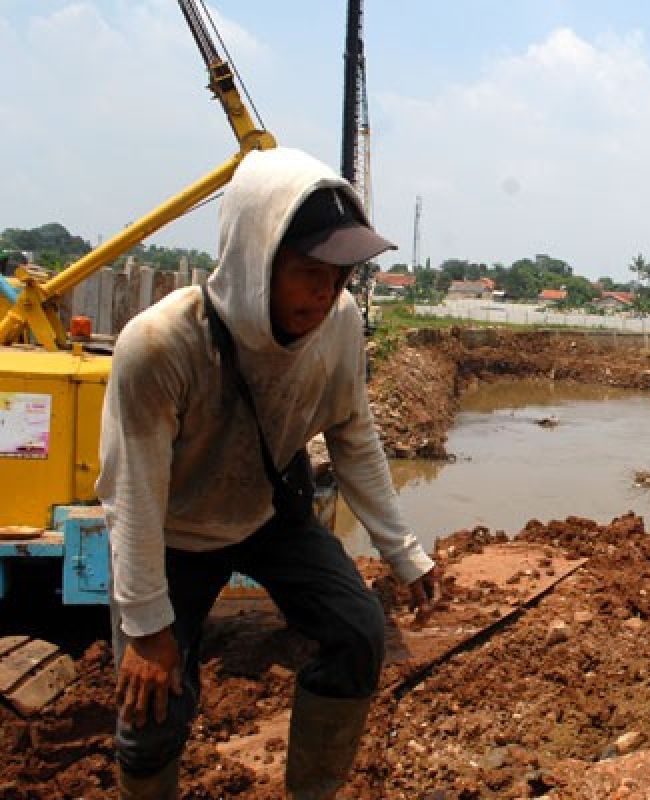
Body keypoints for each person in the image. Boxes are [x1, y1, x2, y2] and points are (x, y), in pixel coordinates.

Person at [97, 147, 441, 799]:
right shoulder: (160, 346)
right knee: (150, 710)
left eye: (340, 274)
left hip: (267, 508)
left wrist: (405, 552)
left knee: (359, 631)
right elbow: (132, 496)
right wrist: (147, 627)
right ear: (257, 262)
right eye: (309, 271)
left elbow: (352, 433)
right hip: (169, 530)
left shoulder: (337, 325)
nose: (326, 291)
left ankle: (312, 789)